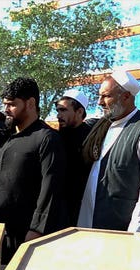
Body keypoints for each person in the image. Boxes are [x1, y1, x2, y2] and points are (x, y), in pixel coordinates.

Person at [0, 77, 67, 262]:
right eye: (5, 105)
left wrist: (36, 230)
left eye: (12, 105)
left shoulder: (47, 138)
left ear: (30, 103)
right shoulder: (6, 137)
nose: (7, 110)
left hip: (23, 236)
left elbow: (50, 189)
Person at [78, 70, 140, 232]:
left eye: (106, 96)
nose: (100, 102)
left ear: (126, 96)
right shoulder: (104, 126)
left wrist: (134, 232)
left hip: (122, 230)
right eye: (100, 96)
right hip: (88, 223)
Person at [55, 89, 94, 225]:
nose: (58, 115)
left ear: (79, 112)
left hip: (82, 207)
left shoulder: (92, 138)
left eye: (63, 110)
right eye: (58, 111)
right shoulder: (55, 137)